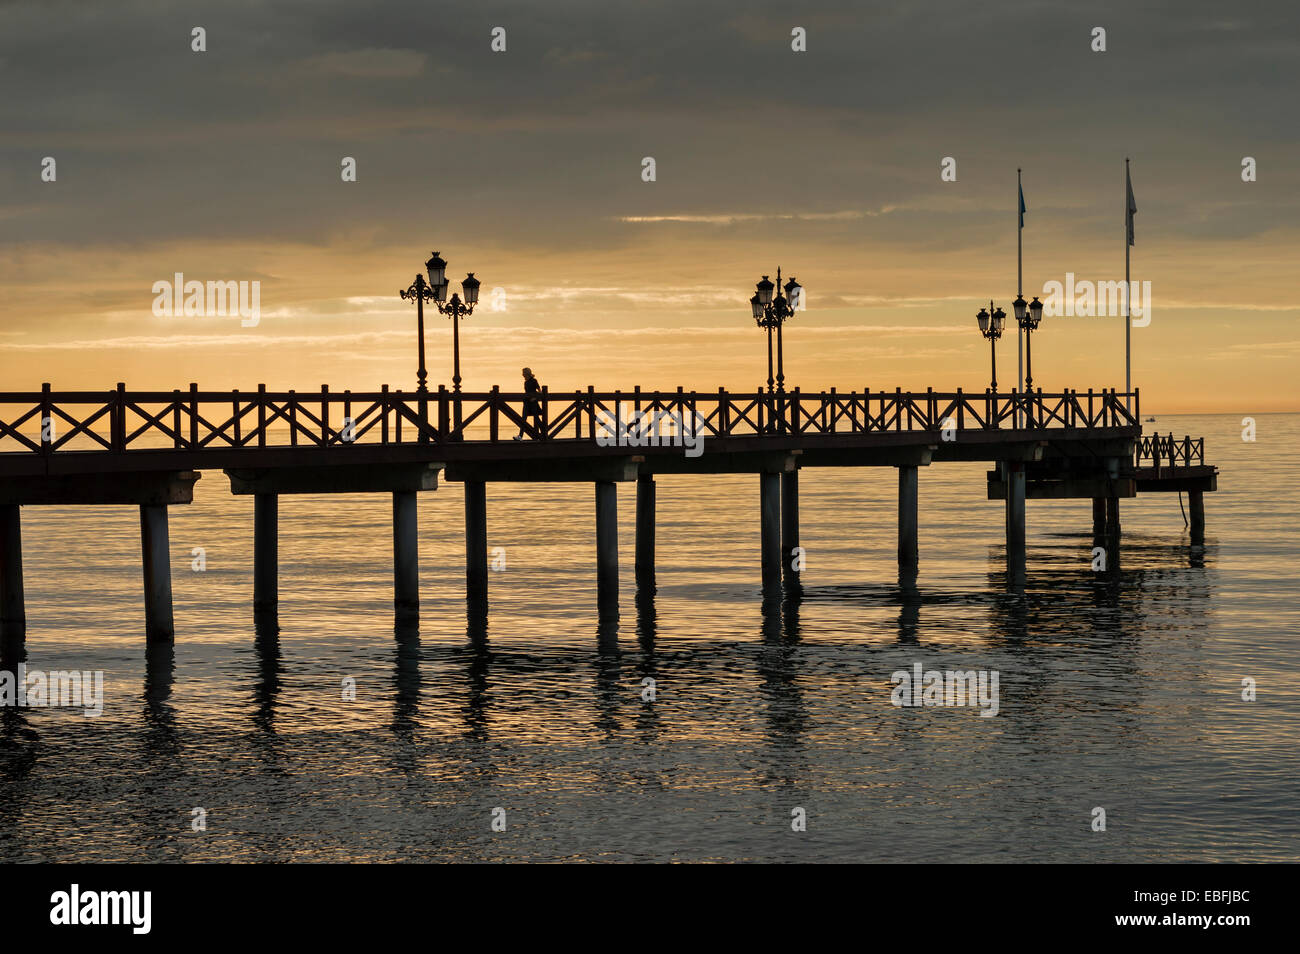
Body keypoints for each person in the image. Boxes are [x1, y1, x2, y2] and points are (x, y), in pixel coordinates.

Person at [514, 367, 542, 440]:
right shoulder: (525, 382)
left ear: (527, 374)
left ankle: (543, 434)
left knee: (536, 419)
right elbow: (527, 392)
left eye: (523, 373)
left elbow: (540, 392)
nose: (522, 375)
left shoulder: (534, 381)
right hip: (526, 403)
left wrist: (535, 398)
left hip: (533, 403)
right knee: (523, 419)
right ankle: (520, 436)